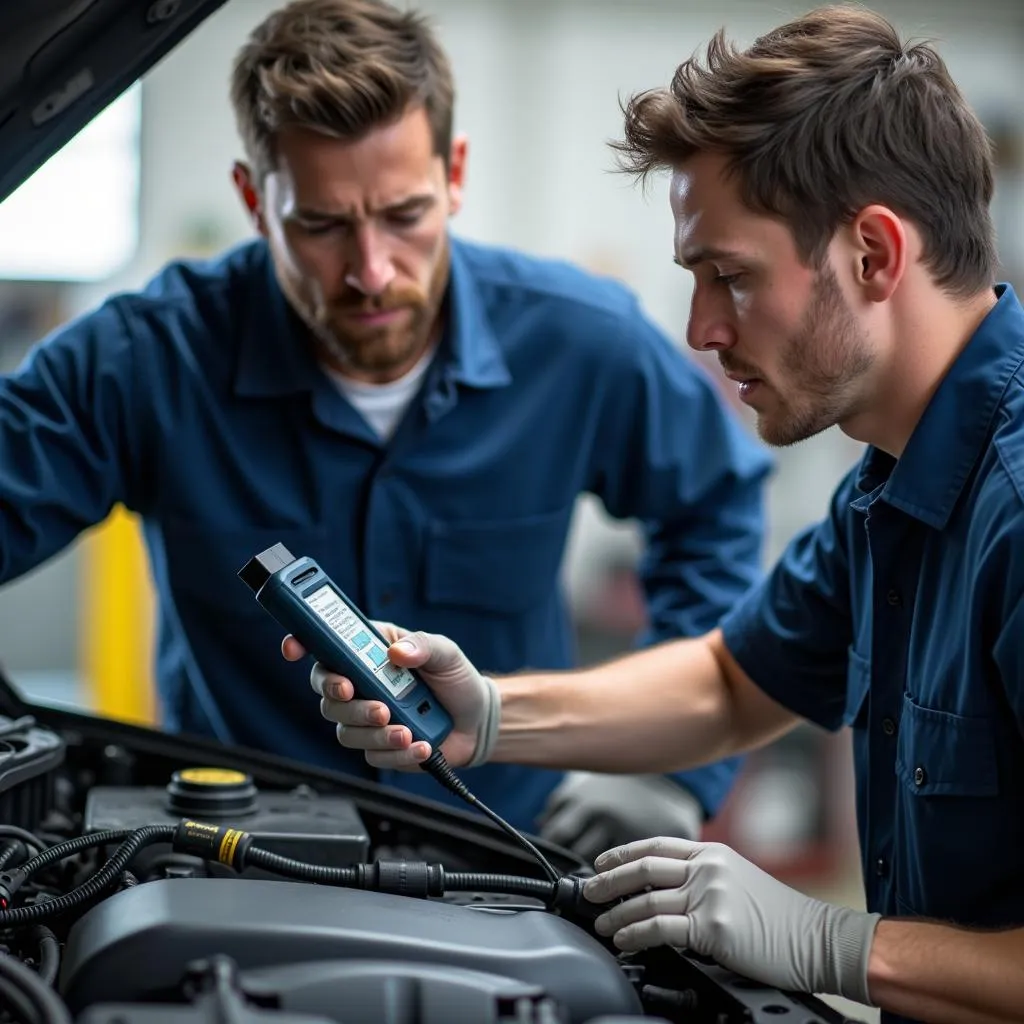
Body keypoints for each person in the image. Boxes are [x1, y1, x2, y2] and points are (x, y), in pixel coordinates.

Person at [301, 6, 1024, 1023]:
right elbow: (734, 682)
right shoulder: (889, 493)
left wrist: (831, 940)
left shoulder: (1016, 513)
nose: (701, 328)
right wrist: (495, 715)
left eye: (729, 276)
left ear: (871, 253)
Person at [0, 0, 771, 856]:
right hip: (239, 859)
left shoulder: (580, 342)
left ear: (455, 176)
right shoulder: (142, 360)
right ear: (256, 200)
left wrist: (667, 773)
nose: (371, 271)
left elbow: (718, 508)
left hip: (507, 853)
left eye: (404, 215)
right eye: (323, 226)